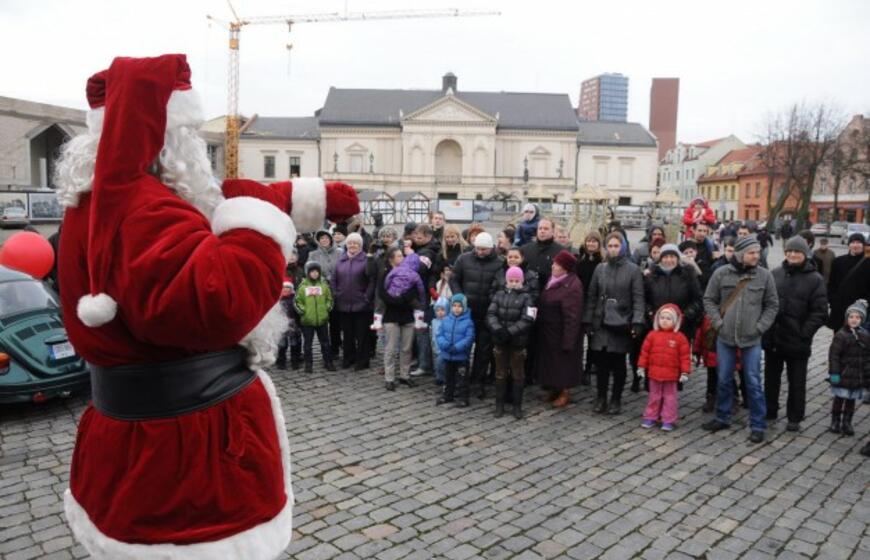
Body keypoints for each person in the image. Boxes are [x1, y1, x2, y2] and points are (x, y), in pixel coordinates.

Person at [54, 54, 359, 559]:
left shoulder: (101, 202)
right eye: (189, 132)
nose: (196, 145)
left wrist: (297, 197)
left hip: (136, 440)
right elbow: (218, 301)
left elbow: (198, 216)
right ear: (163, 134)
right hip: (189, 456)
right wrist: (259, 221)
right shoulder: (144, 207)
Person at [702, 235, 779, 444]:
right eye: (752, 252)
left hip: (752, 339)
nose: (756, 256)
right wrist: (718, 323)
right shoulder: (721, 273)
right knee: (724, 379)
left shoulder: (765, 276)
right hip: (725, 337)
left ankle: (758, 425)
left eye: (757, 252)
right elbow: (709, 299)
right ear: (740, 254)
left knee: (753, 382)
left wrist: (760, 327)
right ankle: (722, 416)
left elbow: (772, 305)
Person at [762, 236, 828, 432]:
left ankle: (794, 417)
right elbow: (765, 303)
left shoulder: (815, 279)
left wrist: (804, 332)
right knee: (771, 379)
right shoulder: (774, 274)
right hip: (774, 337)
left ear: (804, 254)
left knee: (797, 382)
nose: (792, 254)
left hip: (798, 340)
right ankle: (769, 410)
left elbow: (820, 312)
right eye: (789, 251)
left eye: (797, 251)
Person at [583, 233, 645, 414]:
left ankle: (616, 398)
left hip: (621, 322)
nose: (613, 249)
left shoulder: (633, 270)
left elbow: (638, 298)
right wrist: (588, 320)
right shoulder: (600, 269)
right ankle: (601, 397)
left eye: (616, 246)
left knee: (618, 363)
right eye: (609, 246)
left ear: (623, 247)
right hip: (601, 321)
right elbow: (592, 296)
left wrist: (637, 322)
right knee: (601, 363)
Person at [450, 231, 504, 398]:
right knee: (463, 347)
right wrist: (460, 299)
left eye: (484, 250)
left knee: (483, 350)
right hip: (467, 312)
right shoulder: (463, 259)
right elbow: (454, 279)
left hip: (488, 313)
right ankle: (461, 380)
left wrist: (494, 304)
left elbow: (500, 287)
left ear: (491, 248)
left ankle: (478, 382)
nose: (480, 252)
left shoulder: (500, 263)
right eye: (478, 249)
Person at [535, 251, 584, 408]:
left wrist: (568, 340)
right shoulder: (553, 280)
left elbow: (572, 316)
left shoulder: (573, 285)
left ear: (565, 268)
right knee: (551, 364)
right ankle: (554, 389)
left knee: (563, 364)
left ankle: (564, 392)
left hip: (562, 331)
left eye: (556, 264)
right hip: (549, 330)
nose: (553, 266)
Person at [487, 266, 536, 418]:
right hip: (500, 340)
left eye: (516, 280)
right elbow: (491, 314)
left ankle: (517, 406)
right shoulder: (498, 295)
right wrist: (498, 329)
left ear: (521, 281)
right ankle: (499, 405)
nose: (513, 283)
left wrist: (511, 331)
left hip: (517, 341)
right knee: (500, 373)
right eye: (511, 280)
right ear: (506, 281)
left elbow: (528, 319)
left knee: (518, 374)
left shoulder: (527, 298)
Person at [638, 304, 691, 431]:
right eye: (662, 317)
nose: (665, 321)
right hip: (654, 373)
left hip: (671, 375)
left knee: (670, 398)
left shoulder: (680, 338)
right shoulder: (652, 335)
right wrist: (641, 366)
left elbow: (685, 356)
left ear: (675, 321)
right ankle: (651, 416)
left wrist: (685, 372)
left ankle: (668, 419)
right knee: (654, 396)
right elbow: (644, 352)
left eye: (668, 318)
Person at [827, 300, 870, 446]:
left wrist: (866, 375)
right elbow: (834, 356)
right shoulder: (841, 335)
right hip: (843, 374)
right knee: (839, 399)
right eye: (851, 317)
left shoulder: (865, 336)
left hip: (856, 376)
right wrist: (834, 373)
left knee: (851, 400)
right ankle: (835, 420)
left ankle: (847, 422)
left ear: (862, 320)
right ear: (847, 318)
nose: (854, 320)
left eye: (858, 318)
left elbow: (866, 357)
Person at [331, 232, 375, 371]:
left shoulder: (366, 260)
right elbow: (334, 280)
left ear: (360, 245)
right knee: (348, 334)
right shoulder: (341, 261)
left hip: (362, 305)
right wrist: (336, 295)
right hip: (343, 305)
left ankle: (362, 361)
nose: (352, 245)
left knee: (362, 335)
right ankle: (348, 358)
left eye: (355, 243)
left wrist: (366, 298)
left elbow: (372, 282)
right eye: (350, 243)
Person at [378, 247, 418, 391]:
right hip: (391, 314)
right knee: (390, 348)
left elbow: (414, 290)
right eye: (399, 256)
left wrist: (403, 299)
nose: (402, 258)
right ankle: (389, 378)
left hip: (407, 313)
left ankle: (404, 375)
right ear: (391, 259)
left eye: (402, 255)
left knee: (406, 348)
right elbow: (382, 293)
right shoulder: (385, 274)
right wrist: (396, 301)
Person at [296, 261, 337, 373]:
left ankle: (328, 362)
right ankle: (308, 364)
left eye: (316, 272)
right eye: (312, 272)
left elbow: (329, 299)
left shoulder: (324, 286)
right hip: (307, 321)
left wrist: (327, 309)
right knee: (308, 344)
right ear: (308, 273)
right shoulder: (302, 287)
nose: (314, 274)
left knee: (325, 342)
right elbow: (297, 301)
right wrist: (303, 311)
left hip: (322, 320)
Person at [436, 294, 475, 406]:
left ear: (464, 307)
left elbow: (469, 338)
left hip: (461, 356)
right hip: (448, 355)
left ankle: (463, 398)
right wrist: (445, 345)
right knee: (448, 377)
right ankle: (448, 395)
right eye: (454, 306)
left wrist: (457, 347)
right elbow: (440, 335)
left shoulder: (468, 322)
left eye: (459, 306)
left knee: (462, 378)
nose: (456, 308)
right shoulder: (446, 320)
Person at [309, 229, 343, 359]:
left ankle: (335, 348)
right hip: (321, 292)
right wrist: (324, 279)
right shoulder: (313, 254)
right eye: (321, 238)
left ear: (330, 239)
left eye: (326, 237)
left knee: (335, 322)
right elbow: (310, 271)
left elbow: (343, 270)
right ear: (318, 240)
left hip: (337, 291)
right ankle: (325, 349)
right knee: (323, 322)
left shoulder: (340, 253)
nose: (324, 240)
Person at [577, 232, 604, 386]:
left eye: (594, 242)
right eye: (589, 241)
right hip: (581, 301)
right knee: (579, 339)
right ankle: (579, 368)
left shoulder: (602, 262)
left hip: (595, 303)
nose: (591, 244)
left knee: (593, 340)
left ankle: (589, 369)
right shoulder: (580, 260)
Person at [828, 233, 867, 329]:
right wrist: (833, 300)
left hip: (860, 308)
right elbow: (832, 284)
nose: (855, 245)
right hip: (840, 307)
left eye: (858, 242)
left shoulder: (867, 262)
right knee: (839, 337)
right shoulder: (838, 261)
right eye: (853, 242)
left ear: (863, 245)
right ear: (849, 244)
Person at [275, 276, 302, 370]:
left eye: (288, 288)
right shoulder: (277, 300)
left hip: (293, 324)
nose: (286, 290)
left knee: (295, 343)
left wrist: (299, 323)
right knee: (282, 344)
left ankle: (295, 360)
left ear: (291, 289)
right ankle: (281, 361)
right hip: (281, 324)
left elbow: (298, 312)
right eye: (284, 288)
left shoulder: (295, 299)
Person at [431, 297, 449, 385]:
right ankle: (438, 377)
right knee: (436, 364)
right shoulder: (434, 321)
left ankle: (445, 378)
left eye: (443, 310)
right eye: (438, 310)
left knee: (442, 364)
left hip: (444, 348)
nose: (440, 312)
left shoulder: (448, 322)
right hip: (435, 346)